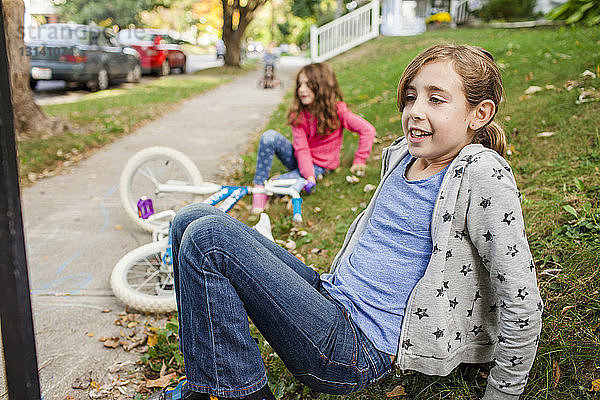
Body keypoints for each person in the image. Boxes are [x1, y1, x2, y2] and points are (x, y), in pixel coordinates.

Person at [150, 44, 543, 400]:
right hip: (331, 297)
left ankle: (236, 394)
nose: (415, 111)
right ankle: (212, 383)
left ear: (480, 113)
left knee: (209, 239)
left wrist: (502, 393)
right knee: (191, 218)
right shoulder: (404, 157)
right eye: (411, 97)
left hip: (358, 347)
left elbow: (521, 299)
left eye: (436, 100)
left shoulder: (480, 173)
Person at [251, 62, 376, 213]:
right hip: (301, 159)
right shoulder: (298, 114)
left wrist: (359, 160)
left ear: (322, 86)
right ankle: (259, 188)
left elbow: (367, 130)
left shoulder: (338, 112)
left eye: (308, 84)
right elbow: (302, 149)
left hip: (320, 166)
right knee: (269, 136)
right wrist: (308, 175)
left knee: (275, 184)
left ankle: (286, 181)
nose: (301, 89)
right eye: (300, 84)